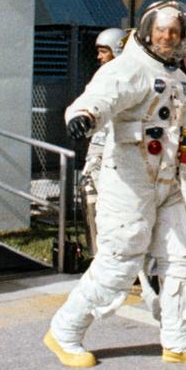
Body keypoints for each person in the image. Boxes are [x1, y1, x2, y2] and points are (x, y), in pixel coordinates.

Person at [46, 0, 186, 369]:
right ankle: (64, 331)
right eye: (162, 30)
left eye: (174, 31)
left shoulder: (179, 78)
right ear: (148, 31)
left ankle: (178, 339)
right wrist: (84, 117)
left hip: (171, 180)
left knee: (185, 260)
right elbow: (99, 99)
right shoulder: (128, 67)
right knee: (120, 261)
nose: (167, 37)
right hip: (129, 178)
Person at [80, 27, 129, 243]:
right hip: (101, 146)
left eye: (103, 51)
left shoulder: (128, 79)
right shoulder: (102, 77)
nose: (99, 57)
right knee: (91, 196)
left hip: (121, 152)